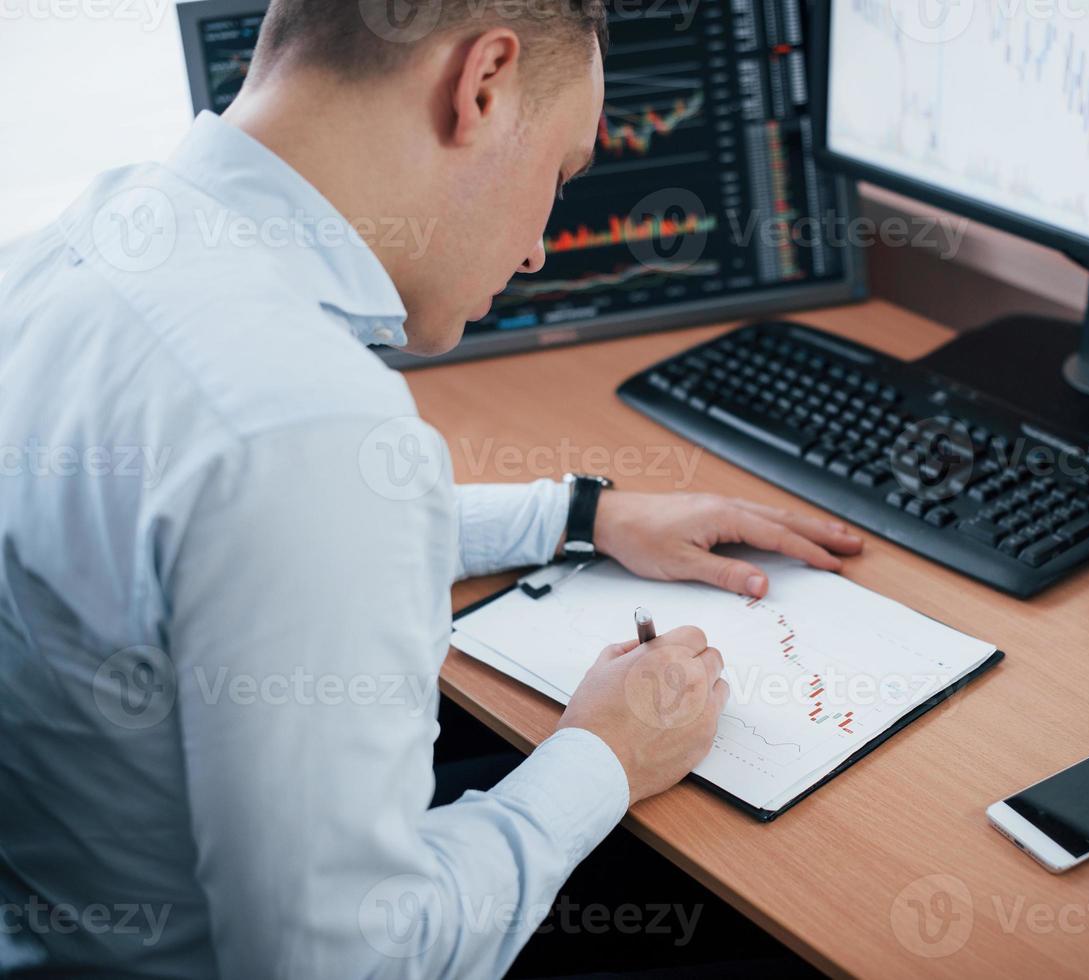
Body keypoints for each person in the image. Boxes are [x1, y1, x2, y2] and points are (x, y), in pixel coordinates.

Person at [0, 1, 863, 976]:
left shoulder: (65, 251)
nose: (538, 246)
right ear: (482, 84)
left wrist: (577, 514)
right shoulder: (303, 423)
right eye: (559, 172)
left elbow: (230, 539)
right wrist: (604, 756)